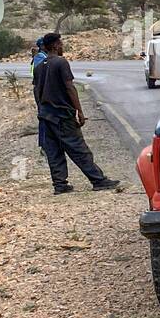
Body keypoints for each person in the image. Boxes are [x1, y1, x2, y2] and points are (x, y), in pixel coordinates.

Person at [34, 33, 120, 196]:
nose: (62, 46)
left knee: (54, 151)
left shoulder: (39, 67)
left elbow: (36, 91)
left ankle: (60, 185)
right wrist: (79, 111)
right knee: (78, 148)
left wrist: (41, 110)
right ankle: (98, 180)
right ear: (55, 46)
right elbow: (70, 87)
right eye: (60, 43)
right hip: (61, 115)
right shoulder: (61, 62)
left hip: (45, 116)